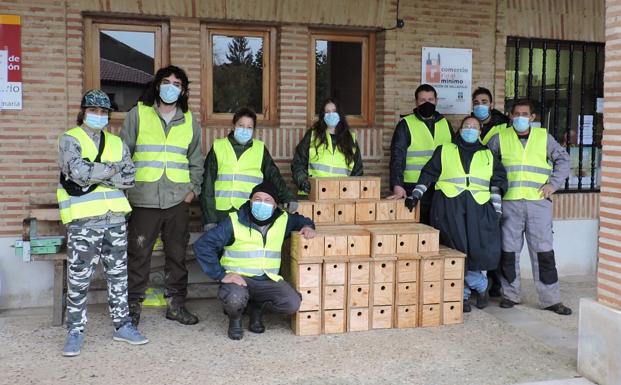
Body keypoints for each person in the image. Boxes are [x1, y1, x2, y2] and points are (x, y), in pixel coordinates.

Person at [57, 89, 148, 356]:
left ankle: (123, 326)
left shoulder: (116, 142)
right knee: (79, 278)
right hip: (84, 221)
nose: (98, 116)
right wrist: (111, 171)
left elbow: (130, 176)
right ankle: (75, 332)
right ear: (83, 111)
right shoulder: (69, 139)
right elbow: (76, 172)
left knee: (119, 276)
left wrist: (97, 173)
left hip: (115, 219)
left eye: (103, 112)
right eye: (93, 111)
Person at [120, 65, 204, 326]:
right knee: (138, 255)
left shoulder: (189, 120)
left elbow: (196, 160)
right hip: (143, 198)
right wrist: (126, 192)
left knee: (177, 256)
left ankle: (176, 306)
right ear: (157, 85)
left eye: (176, 84)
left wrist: (193, 191)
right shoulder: (138, 114)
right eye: (166, 82)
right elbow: (124, 155)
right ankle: (132, 308)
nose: (171, 87)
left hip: (178, 200)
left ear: (183, 90)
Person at [405, 116, 507, 312]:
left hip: (478, 206)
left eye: (474, 127)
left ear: (480, 131)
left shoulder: (488, 155)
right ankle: (469, 292)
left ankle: (473, 288)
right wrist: (416, 194)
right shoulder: (445, 150)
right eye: (466, 126)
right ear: (459, 130)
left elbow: (497, 181)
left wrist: (497, 209)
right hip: (449, 206)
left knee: (476, 250)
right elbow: (428, 174)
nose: (470, 129)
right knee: (455, 249)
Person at [193, 181, 315, 340]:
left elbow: (301, 221)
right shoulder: (234, 220)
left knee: (292, 303)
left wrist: (308, 226)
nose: (261, 203)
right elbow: (203, 245)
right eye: (257, 199)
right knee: (235, 299)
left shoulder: (283, 220)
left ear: (275, 205)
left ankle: (257, 309)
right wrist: (221, 275)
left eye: (267, 200)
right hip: (238, 279)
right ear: (250, 201)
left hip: (267, 280)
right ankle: (235, 320)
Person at [486, 99, 572, 315]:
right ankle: (510, 295)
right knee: (509, 252)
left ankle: (551, 299)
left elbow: (563, 160)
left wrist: (553, 184)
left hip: (538, 204)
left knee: (543, 252)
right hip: (510, 204)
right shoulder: (499, 138)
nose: (520, 118)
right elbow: (486, 163)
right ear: (510, 116)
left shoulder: (544, 138)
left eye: (525, 114)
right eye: (516, 114)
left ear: (533, 117)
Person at [201, 107, 296, 229]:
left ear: (254, 130)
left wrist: (287, 197)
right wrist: (209, 219)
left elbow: (274, 176)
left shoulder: (260, 149)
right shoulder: (218, 147)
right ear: (234, 126)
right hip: (221, 213)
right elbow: (207, 185)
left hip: (248, 212)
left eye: (249, 127)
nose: (244, 130)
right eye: (241, 125)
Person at [388, 84, 453, 224]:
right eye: (423, 100)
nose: (427, 103)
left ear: (436, 101)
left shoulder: (445, 124)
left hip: (440, 186)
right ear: (416, 102)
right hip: (413, 186)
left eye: (430, 99)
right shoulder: (406, 124)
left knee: (438, 228)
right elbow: (397, 157)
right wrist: (397, 185)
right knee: (417, 228)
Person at [471, 86, 511, 297]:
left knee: (498, 238)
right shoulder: (470, 126)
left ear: (492, 104)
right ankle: (479, 282)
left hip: (497, 187)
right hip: (477, 190)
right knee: (480, 237)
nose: (480, 106)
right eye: (476, 102)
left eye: (484, 102)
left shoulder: (504, 126)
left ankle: (497, 284)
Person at [291, 98, 363, 195]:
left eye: (334, 111)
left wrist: (351, 191)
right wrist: (304, 183)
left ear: (340, 114)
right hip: (312, 194)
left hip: (340, 196)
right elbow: (298, 163)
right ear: (323, 116)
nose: (331, 115)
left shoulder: (350, 140)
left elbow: (357, 171)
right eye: (327, 112)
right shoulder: (312, 136)